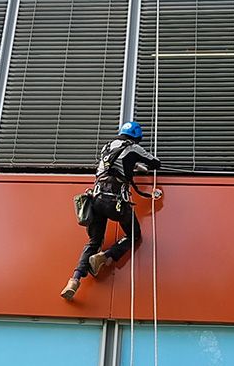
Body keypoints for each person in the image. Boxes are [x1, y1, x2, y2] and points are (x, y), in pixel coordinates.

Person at [61, 121, 162, 301]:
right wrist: (139, 166)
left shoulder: (106, 147)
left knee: (94, 241)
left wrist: (133, 167)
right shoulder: (134, 148)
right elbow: (156, 163)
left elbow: (113, 167)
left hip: (96, 200)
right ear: (137, 136)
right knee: (134, 235)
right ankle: (105, 256)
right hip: (115, 202)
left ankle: (74, 280)